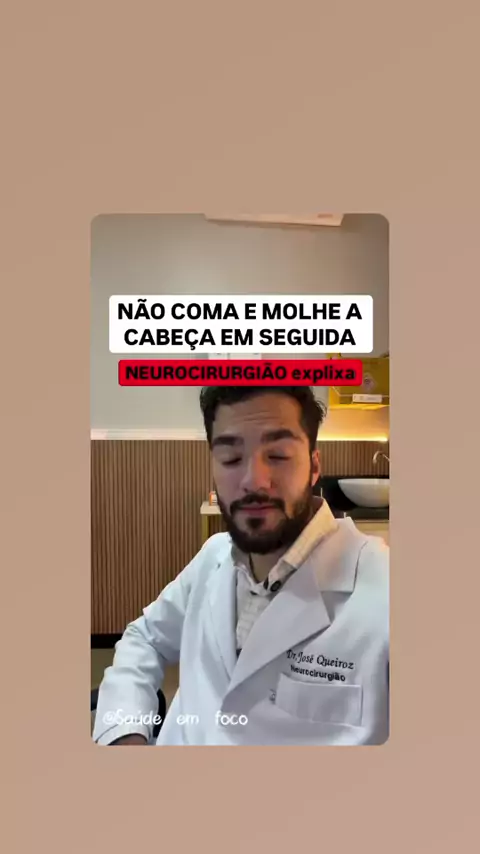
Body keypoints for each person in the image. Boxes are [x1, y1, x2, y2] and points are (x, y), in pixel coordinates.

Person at [93, 385, 389, 746]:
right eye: (231, 458)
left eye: (278, 455)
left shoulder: (387, 592)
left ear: (314, 466)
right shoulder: (213, 556)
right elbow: (145, 639)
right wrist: (124, 733)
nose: (253, 481)